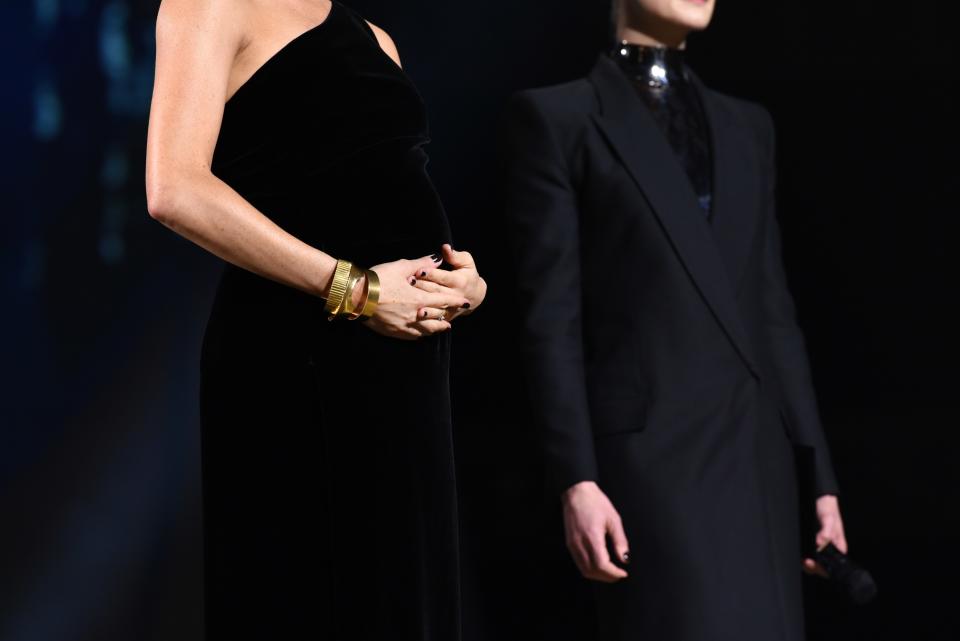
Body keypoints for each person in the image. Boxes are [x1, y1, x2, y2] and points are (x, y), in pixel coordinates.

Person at [503, 1, 847, 639]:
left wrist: (817, 481)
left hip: (757, 465)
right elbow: (551, 318)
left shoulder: (748, 127)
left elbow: (774, 318)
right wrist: (576, 478)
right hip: (651, 469)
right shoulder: (559, 118)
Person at [145, 1, 486, 639]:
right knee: (310, 593)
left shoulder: (374, 38)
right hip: (298, 353)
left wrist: (463, 284)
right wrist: (354, 289)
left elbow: (387, 185)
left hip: (402, 366)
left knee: (402, 590)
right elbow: (175, 188)